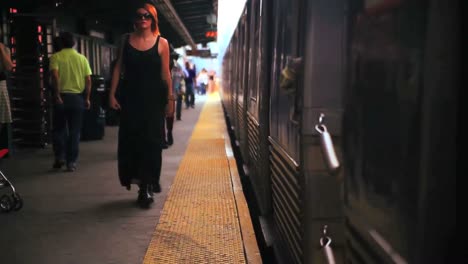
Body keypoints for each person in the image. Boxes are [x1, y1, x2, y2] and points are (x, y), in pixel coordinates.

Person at [108, 3, 173, 208]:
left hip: (154, 101)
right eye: (139, 16)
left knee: (152, 142)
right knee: (132, 142)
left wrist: (170, 100)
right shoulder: (125, 40)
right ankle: (142, 185)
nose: (143, 19)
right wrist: (111, 94)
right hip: (130, 100)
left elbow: (165, 74)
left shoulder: (162, 43)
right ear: (134, 19)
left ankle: (148, 183)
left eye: (147, 16)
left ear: (153, 20)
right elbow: (118, 68)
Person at [49, 32, 92, 172]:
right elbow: (89, 80)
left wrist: (57, 95)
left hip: (61, 97)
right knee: (75, 132)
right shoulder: (82, 58)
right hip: (77, 98)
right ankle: (71, 162)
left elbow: (54, 76)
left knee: (59, 129)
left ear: (61, 43)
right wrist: (87, 98)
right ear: (74, 43)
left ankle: (60, 157)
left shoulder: (56, 57)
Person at [0, 41, 13, 151]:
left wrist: (1, 49)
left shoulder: (5, 49)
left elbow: (9, 66)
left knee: (1, 120)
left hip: (0, 85)